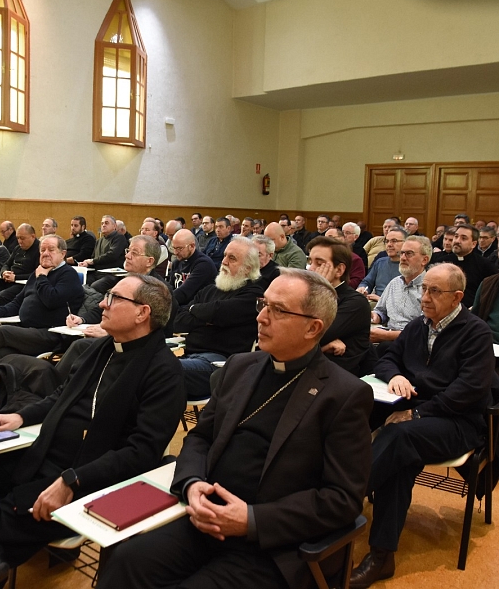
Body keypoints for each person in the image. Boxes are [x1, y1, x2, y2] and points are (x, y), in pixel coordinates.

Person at [0, 274, 185, 589]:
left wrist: (72, 480)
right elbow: (59, 396)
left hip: (89, 478)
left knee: (6, 520)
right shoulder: (100, 348)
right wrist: (19, 418)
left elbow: (141, 452)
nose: (103, 303)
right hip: (43, 451)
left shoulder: (164, 373)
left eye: (115, 298)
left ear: (142, 313)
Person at [97, 269, 373, 589]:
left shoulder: (343, 394)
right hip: (205, 520)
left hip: (270, 545)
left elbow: (342, 499)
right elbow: (200, 437)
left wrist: (251, 520)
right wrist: (191, 483)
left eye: (278, 310)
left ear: (314, 328)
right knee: (127, 562)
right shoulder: (240, 366)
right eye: (263, 305)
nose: (262, 317)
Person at [350, 263, 496, 588]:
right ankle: (381, 555)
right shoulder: (418, 326)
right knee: (396, 454)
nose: (424, 297)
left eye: (434, 291)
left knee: (399, 436)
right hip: (417, 419)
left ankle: (340, 499)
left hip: (457, 423)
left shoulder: (476, 333)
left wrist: (417, 414)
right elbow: (386, 358)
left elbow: (468, 391)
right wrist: (396, 375)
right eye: (424, 289)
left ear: (457, 297)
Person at [0, 235, 84, 370]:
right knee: (0, 355)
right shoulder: (38, 273)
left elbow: (51, 300)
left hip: (51, 334)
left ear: (63, 254)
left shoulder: (68, 275)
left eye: (51, 250)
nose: (45, 254)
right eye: (42, 250)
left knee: (2, 332)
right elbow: (17, 302)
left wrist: (42, 277)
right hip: (28, 331)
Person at [175, 236, 263, 399]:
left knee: (160, 370)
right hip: (189, 355)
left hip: (219, 365)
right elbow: (179, 320)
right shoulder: (209, 290)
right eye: (224, 255)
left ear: (248, 267)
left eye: (232, 258)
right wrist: (207, 317)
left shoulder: (253, 295)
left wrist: (195, 310)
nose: (224, 262)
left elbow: (217, 312)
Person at [307, 236, 371, 375]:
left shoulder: (356, 302)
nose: (310, 268)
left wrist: (321, 346)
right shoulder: (308, 294)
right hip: (310, 367)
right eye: (310, 261)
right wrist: (323, 347)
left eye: (319, 263)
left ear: (339, 270)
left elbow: (311, 335)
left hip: (337, 375)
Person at [370, 236, 431, 352]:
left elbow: (426, 330)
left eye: (409, 254)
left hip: (413, 345)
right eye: (402, 253)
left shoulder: (429, 289)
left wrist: (387, 336)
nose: (402, 258)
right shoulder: (395, 283)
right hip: (386, 336)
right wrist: (375, 316)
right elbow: (381, 311)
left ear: (424, 260)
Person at [431, 224, 497, 307]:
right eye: (456, 236)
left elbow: (490, 294)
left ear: (473, 244)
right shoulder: (441, 262)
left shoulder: (485, 266)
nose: (457, 241)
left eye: (463, 238)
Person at [0, 224, 40, 306]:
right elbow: (6, 264)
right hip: (8, 280)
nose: (19, 241)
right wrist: (4, 272)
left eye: (22, 238)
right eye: (18, 238)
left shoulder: (40, 250)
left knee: (2, 296)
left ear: (33, 236)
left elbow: (37, 273)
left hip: (23, 283)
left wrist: (15, 277)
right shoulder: (18, 248)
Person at [170, 229, 217, 306]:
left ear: (192, 246)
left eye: (179, 248)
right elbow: (170, 287)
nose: (175, 252)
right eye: (174, 248)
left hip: (196, 309)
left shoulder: (203, 264)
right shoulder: (177, 262)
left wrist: (162, 302)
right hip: (178, 306)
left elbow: (185, 292)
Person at [357, 227, 405, 302]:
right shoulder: (380, 262)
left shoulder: (410, 266)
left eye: (394, 241)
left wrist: (381, 300)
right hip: (376, 304)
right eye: (387, 241)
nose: (389, 245)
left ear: (406, 243)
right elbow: (367, 281)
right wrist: (362, 288)